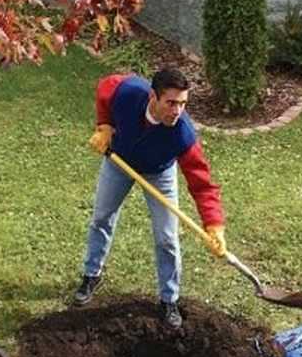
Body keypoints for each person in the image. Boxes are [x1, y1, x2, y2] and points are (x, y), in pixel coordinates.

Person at [74, 68, 226, 328]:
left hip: (159, 172)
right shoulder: (129, 93)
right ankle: (92, 274)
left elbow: (202, 184)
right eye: (171, 103)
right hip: (119, 162)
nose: (177, 111)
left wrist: (214, 225)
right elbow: (105, 87)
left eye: (182, 103)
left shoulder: (183, 134)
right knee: (101, 217)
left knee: (167, 238)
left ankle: (169, 299)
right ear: (153, 97)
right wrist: (105, 125)